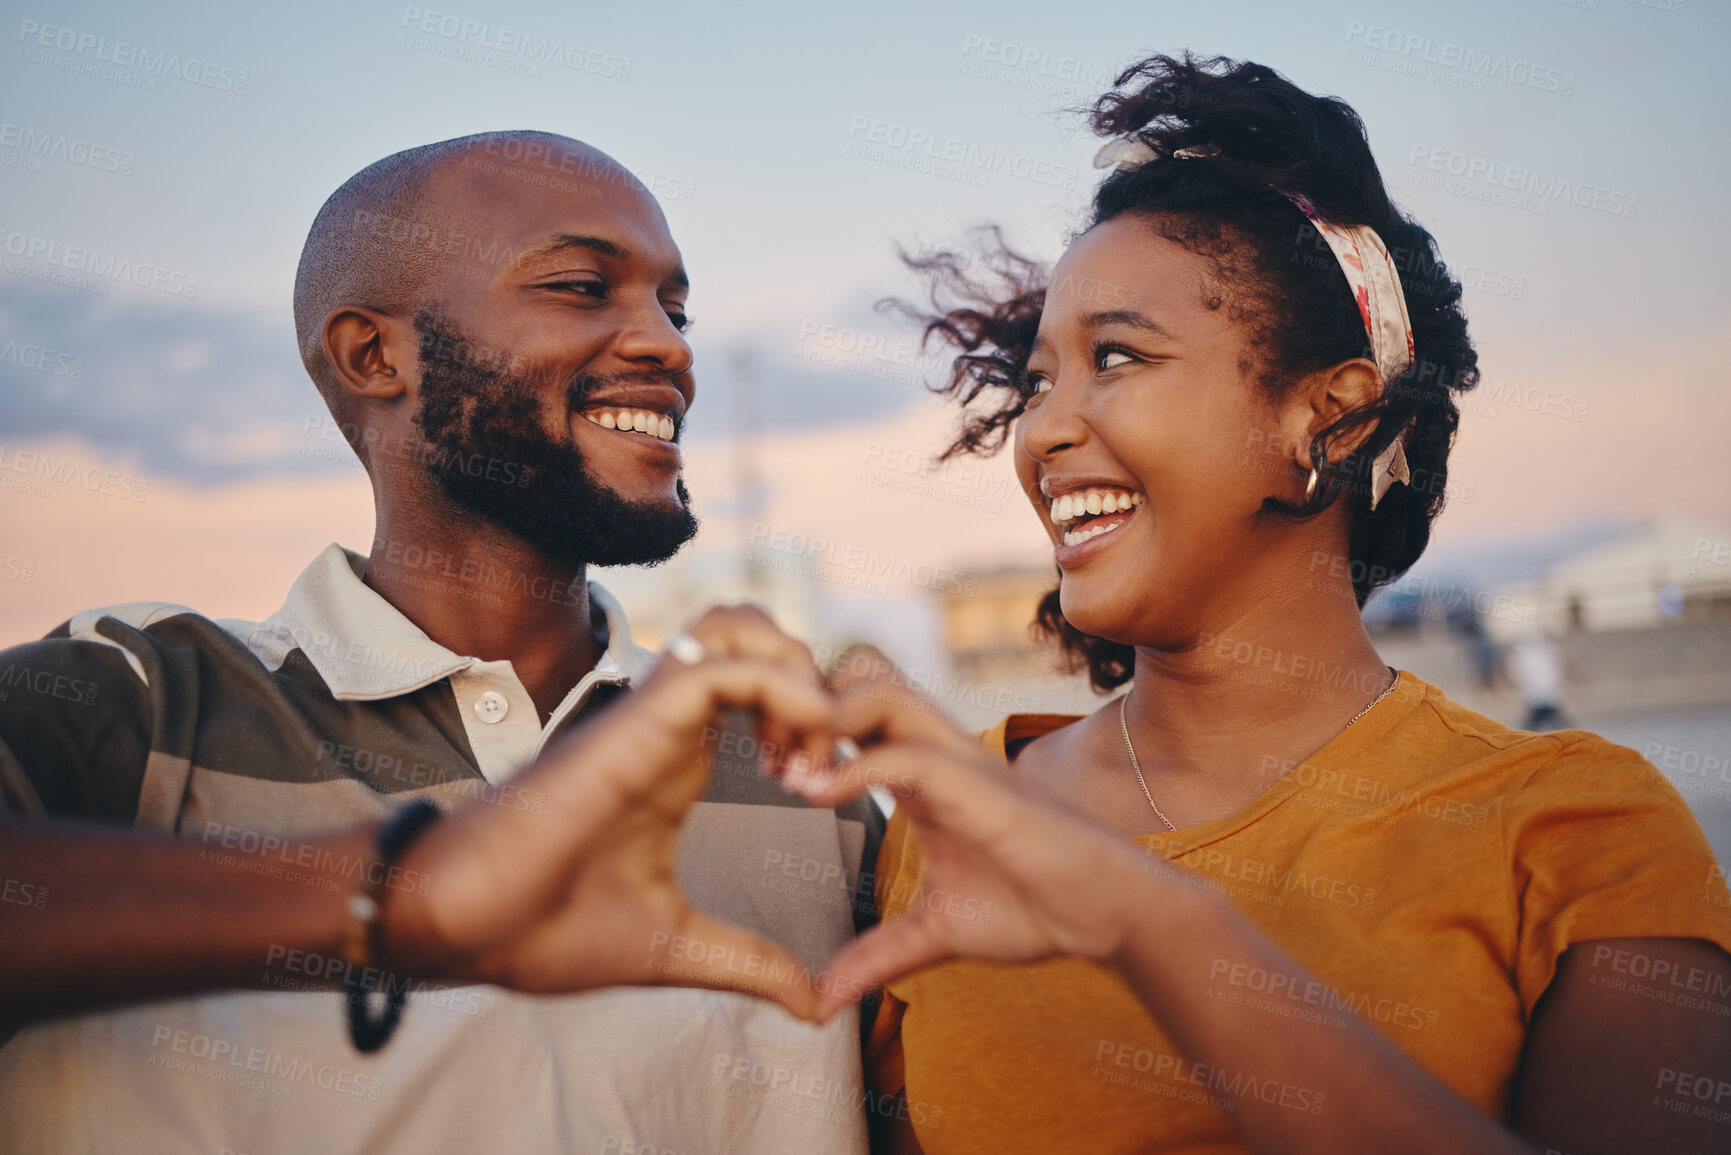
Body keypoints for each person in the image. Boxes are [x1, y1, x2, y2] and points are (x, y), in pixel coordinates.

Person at [838, 55, 1731, 1154]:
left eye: (1116, 356)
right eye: (1036, 381)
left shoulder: (1579, 829)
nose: (1044, 432)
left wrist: (1152, 921)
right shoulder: (950, 822)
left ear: (1335, 421)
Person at [0, 131, 882, 1155]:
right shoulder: (143, 697)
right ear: (376, 355)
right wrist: (399, 898)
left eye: (673, 308)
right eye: (583, 287)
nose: (669, 345)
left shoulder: (799, 774)